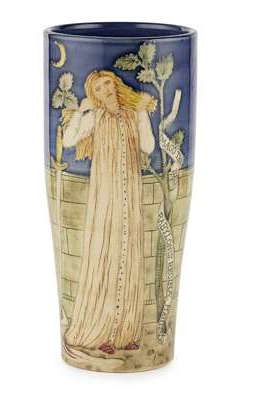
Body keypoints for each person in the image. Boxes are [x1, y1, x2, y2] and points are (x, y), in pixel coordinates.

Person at [62, 70, 156, 355]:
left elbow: (148, 146)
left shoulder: (131, 114)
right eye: (99, 89)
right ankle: (101, 330)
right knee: (107, 252)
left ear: (115, 85)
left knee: (128, 252)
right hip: (106, 196)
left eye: (108, 84)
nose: (106, 91)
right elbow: (69, 141)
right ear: (94, 96)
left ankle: (125, 332)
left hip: (130, 195)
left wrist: (142, 112)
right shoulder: (95, 117)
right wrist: (80, 111)